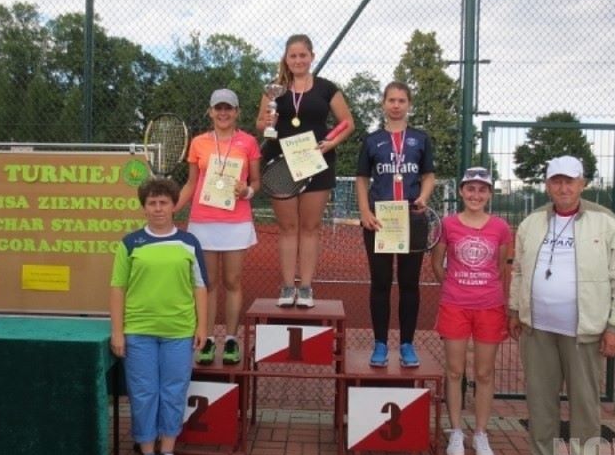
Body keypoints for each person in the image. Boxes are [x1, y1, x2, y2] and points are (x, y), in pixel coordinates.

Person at [508, 155, 615, 455]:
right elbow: (519, 270)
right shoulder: (532, 222)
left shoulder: (605, 221)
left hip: (586, 330)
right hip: (538, 329)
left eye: (570, 181)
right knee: (540, 399)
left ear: (582, 183)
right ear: (547, 185)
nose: (563, 188)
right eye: (556, 181)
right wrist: (516, 309)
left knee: (584, 403)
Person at [110, 177, 208, 455]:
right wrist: (117, 331)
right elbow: (117, 289)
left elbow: (201, 287)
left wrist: (202, 326)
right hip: (138, 331)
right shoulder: (129, 244)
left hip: (179, 331)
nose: (157, 208)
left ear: (173, 205)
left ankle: (167, 453)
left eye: (163, 202)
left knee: (173, 391)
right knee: (142, 393)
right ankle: (147, 452)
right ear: (143, 207)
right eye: (151, 203)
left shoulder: (189, 243)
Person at [256, 34, 354, 308]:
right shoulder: (274, 89)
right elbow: (260, 126)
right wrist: (268, 122)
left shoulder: (326, 88)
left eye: (303, 55)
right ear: (286, 59)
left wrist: (331, 142)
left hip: (315, 164)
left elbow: (347, 122)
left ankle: (307, 287)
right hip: (281, 165)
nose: (298, 60)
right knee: (288, 228)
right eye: (292, 56)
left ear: (311, 56)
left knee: (310, 228)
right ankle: (288, 287)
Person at [432, 167, 511, 455]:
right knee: (454, 371)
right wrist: (454, 286)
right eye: (470, 189)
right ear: (461, 192)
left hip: (489, 307)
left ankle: (480, 432)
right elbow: (437, 263)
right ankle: (455, 430)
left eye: (482, 189)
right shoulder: (448, 224)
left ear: (489, 194)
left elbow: (501, 267)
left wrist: (484, 289)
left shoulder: (501, 228)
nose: (475, 195)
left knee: (484, 373)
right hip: (455, 305)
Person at [177, 88, 261, 365]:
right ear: (210, 112)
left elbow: (256, 183)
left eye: (228, 108)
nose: (223, 113)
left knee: (233, 281)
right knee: (208, 283)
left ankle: (232, 340)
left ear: (237, 112)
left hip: (235, 222)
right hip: (203, 221)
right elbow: (191, 184)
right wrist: (171, 208)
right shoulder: (199, 143)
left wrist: (246, 191)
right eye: (218, 108)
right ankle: (208, 338)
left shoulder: (248, 142)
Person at [355, 81, 435, 367]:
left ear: (409, 105)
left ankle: (406, 344)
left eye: (402, 100)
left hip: (412, 218)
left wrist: (424, 197)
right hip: (379, 219)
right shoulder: (372, 140)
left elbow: (428, 175)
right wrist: (364, 211)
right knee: (380, 282)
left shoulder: (421, 139)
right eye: (391, 100)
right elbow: (362, 179)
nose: (396, 105)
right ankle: (379, 344)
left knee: (409, 284)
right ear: (383, 104)